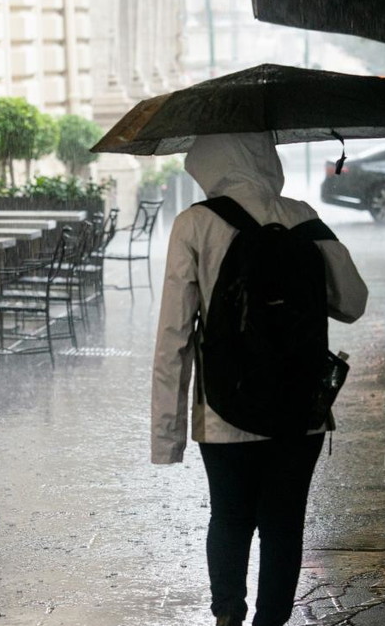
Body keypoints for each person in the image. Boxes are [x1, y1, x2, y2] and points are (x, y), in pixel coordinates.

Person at [151, 131, 368, 626]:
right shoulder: (304, 217)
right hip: (302, 408)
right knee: (284, 526)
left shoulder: (195, 224)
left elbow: (174, 336)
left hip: (225, 412)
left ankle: (227, 616)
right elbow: (353, 302)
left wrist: (167, 437)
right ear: (267, 156)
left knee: (229, 517)